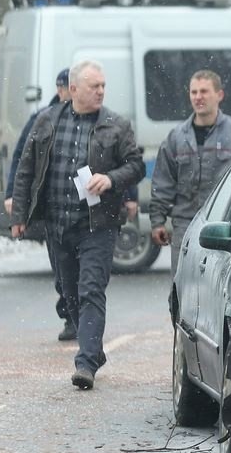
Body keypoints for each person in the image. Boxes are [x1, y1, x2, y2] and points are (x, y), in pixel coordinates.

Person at [10, 60, 145, 390]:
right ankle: (93, 349)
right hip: (58, 224)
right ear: (73, 90)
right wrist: (19, 216)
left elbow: (137, 166)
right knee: (69, 293)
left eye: (102, 86)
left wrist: (110, 179)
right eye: (93, 86)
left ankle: (85, 362)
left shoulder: (116, 125)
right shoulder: (47, 121)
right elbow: (26, 169)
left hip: (97, 225)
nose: (100, 91)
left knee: (91, 290)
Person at [149, 70, 231, 272]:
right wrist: (157, 222)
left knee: (219, 290)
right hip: (185, 227)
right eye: (194, 92)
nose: (198, 97)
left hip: (225, 227)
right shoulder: (176, 137)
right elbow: (163, 182)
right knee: (180, 290)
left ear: (219, 95)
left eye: (204, 91)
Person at [5, 68, 77, 341]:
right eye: (71, 87)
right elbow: (21, 158)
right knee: (62, 268)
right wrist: (13, 194)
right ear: (61, 90)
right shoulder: (42, 120)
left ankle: (86, 318)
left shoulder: (95, 118)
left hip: (84, 209)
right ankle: (70, 316)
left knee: (86, 271)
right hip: (53, 207)